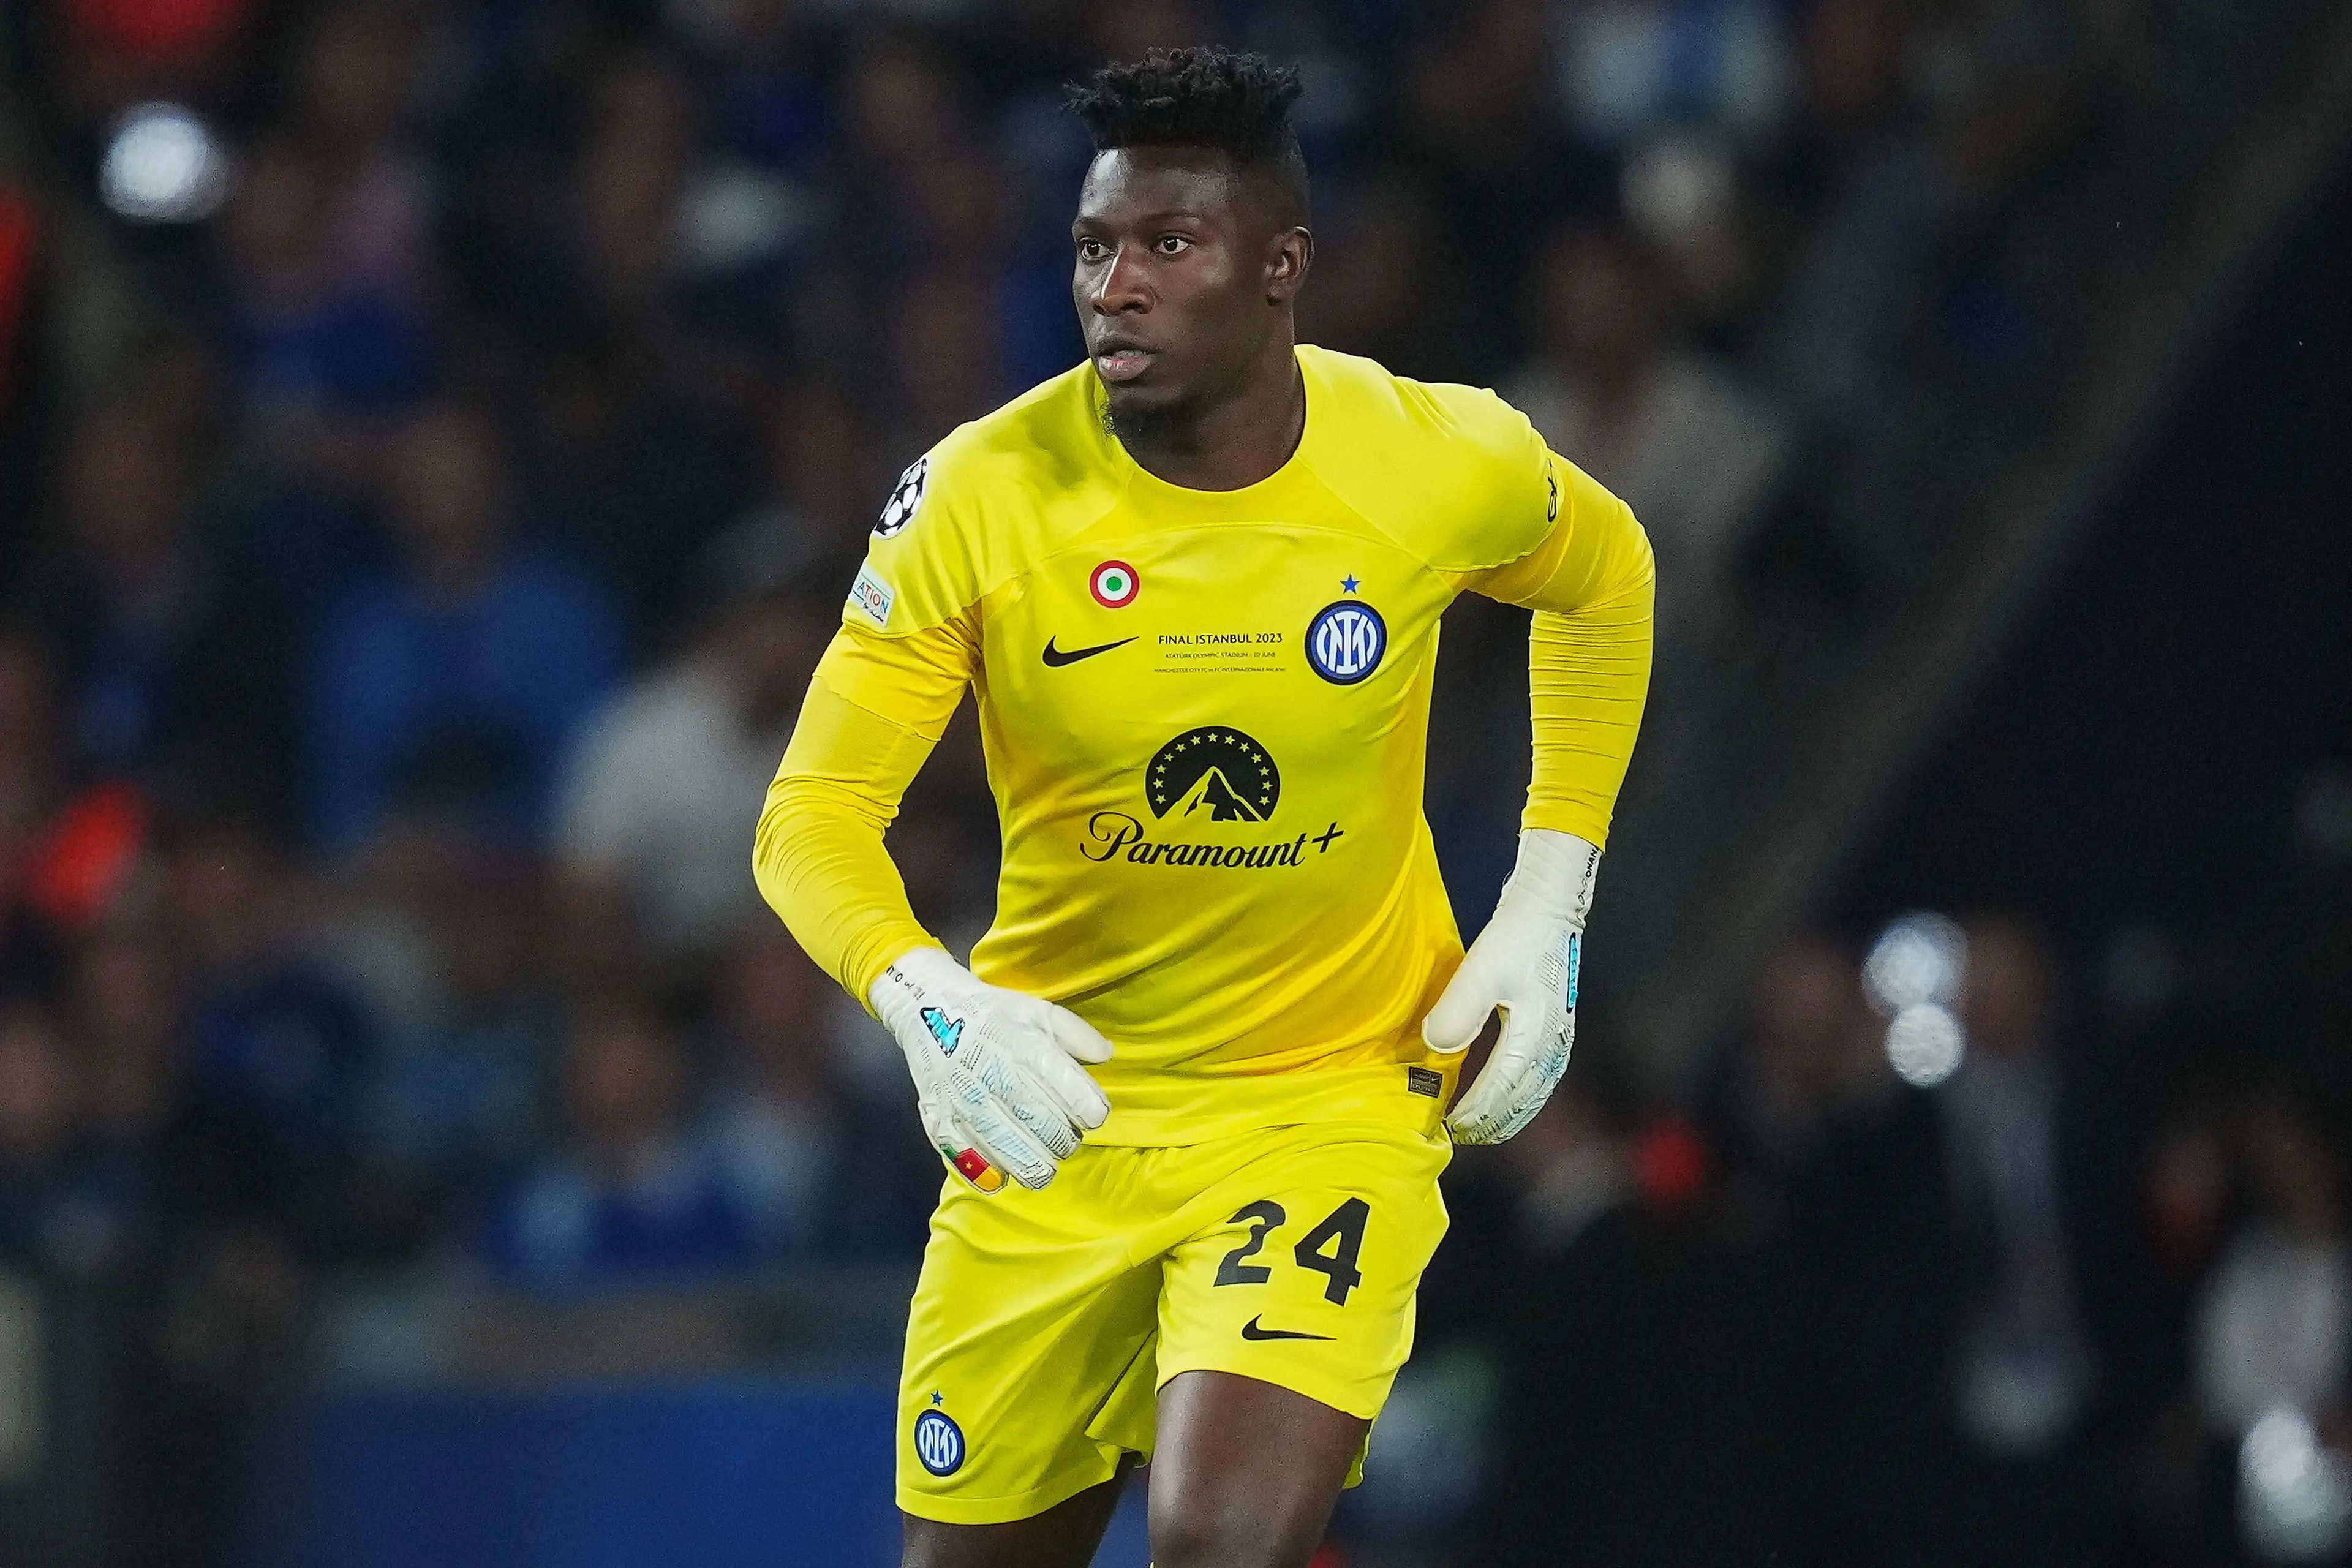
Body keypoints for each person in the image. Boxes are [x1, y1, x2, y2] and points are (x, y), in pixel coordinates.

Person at [753, 48, 1653, 1567]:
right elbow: (812, 813)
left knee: (1215, 1543)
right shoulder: (981, 494)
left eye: (1170, 245)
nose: (1118, 285)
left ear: (1282, 267)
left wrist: (1544, 902)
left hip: (1326, 1100)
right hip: (1060, 1113)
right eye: (1097, 247)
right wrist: (926, 1001)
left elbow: (1606, 574)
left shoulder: (1434, 458)